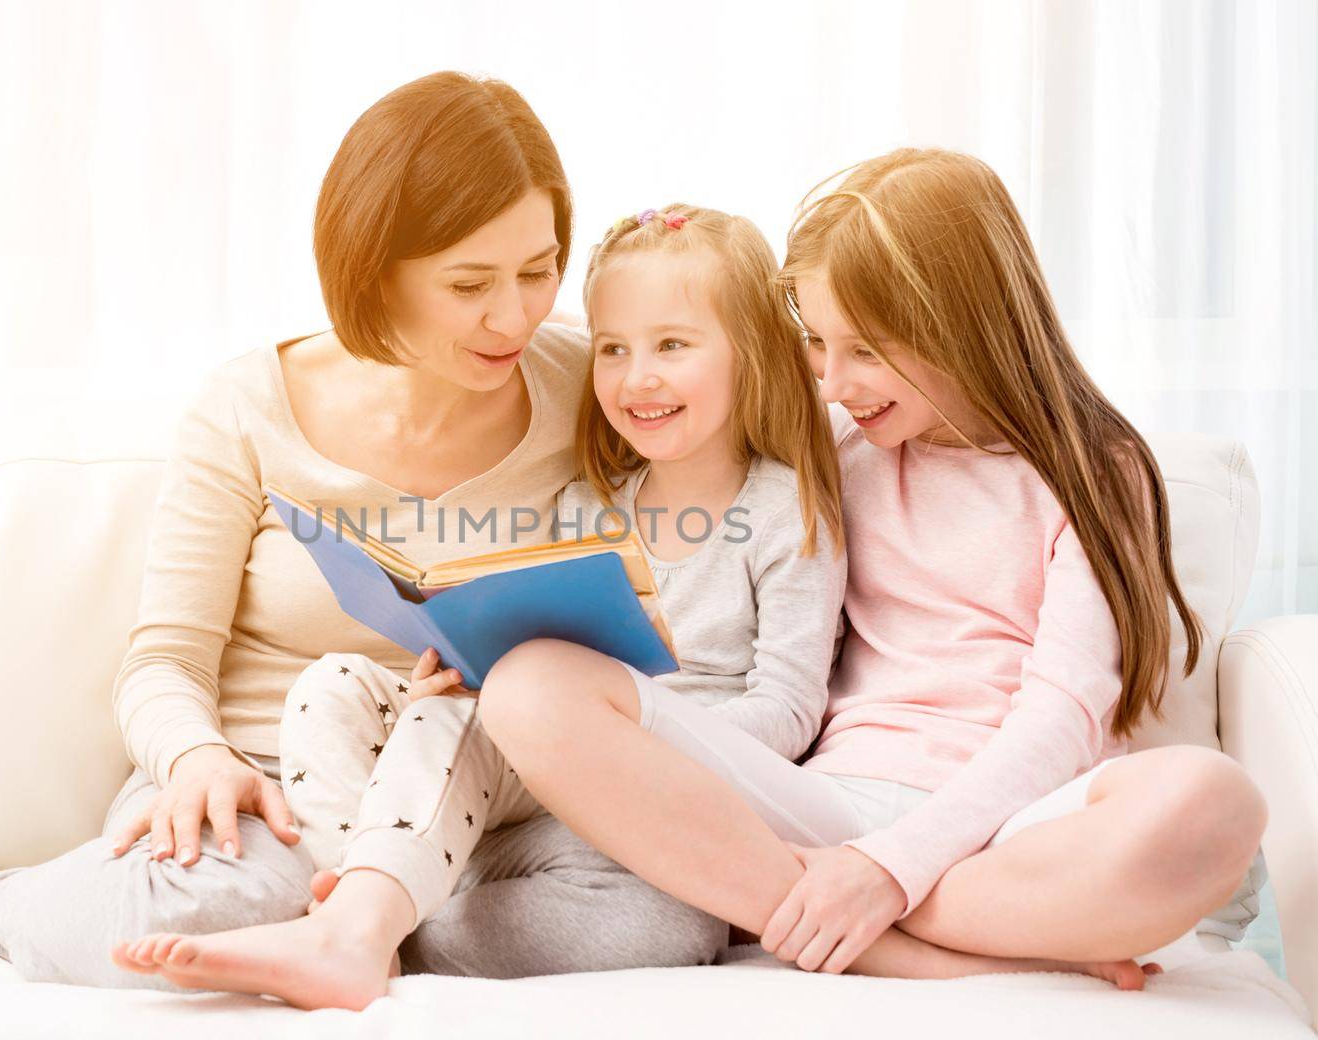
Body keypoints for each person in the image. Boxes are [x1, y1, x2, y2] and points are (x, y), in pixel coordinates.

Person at [0, 72, 728, 989]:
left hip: (480, 791)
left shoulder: (592, 379)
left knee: (680, 906)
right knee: (181, 907)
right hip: (271, 799)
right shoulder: (247, 407)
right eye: (469, 284)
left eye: (538, 268)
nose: (513, 314)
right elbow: (162, 659)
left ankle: (361, 924)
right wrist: (195, 759)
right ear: (378, 273)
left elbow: (741, 400)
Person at [472, 149, 1267, 988]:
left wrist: (891, 869)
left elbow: (1059, 718)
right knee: (531, 686)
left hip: (1007, 825)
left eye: (865, 350)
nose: (831, 381)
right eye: (816, 343)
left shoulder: (1099, 473)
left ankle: (819, 907)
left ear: (965, 325)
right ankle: (904, 942)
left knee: (1215, 804)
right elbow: (666, 368)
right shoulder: (835, 448)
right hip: (823, 807)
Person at [112, 203, 851, 1007]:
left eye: (672, 346)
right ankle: (351, 911)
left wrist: (640, 741)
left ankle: (368, 927)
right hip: (527, 770)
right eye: (611, 349)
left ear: (754, 356)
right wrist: (463, 673)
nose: (636, 377)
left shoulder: (787, 514)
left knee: (667, 925)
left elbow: (786, 706)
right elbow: (532, 675)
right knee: (335, 689)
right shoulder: (587, 504)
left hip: (652, 790)